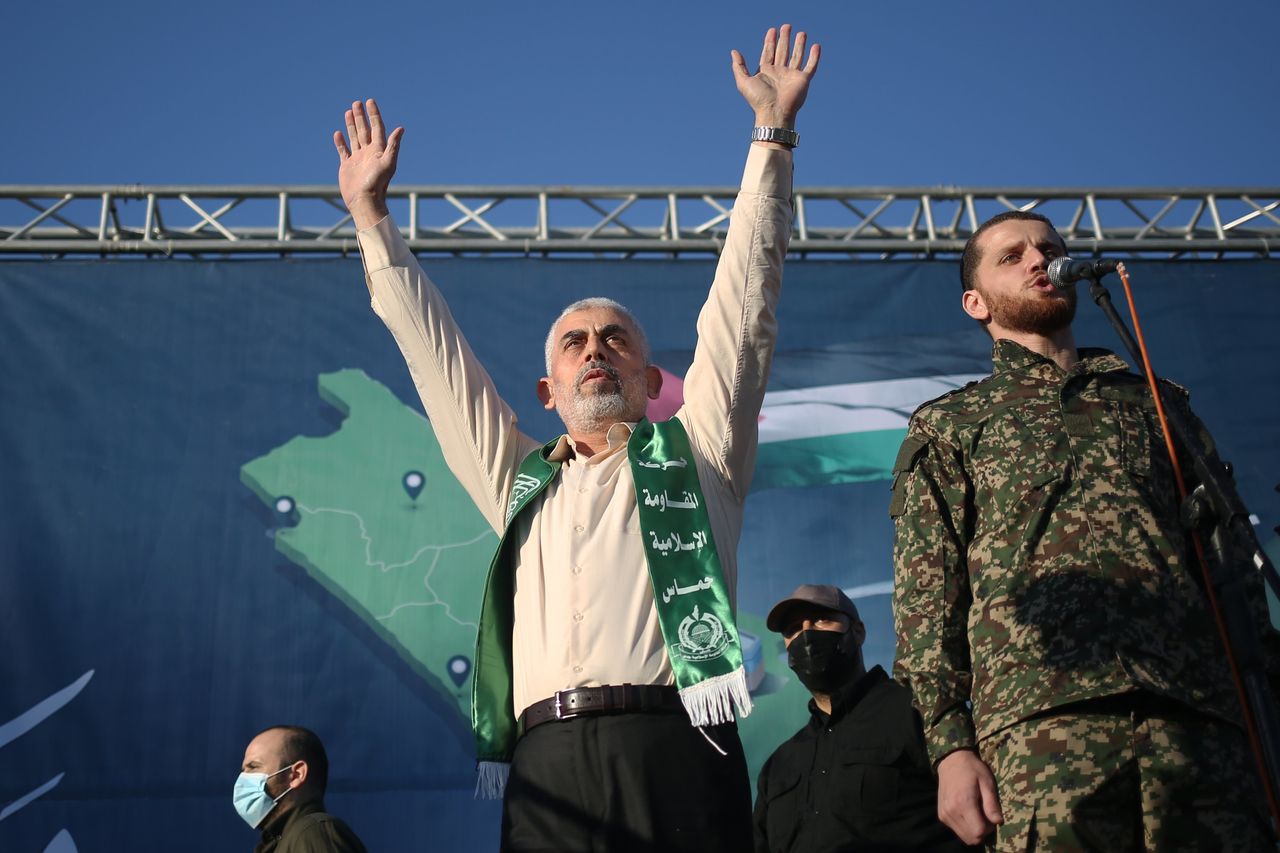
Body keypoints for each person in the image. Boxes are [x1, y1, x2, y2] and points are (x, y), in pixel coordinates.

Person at [332, 24, 819, 853]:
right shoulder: (517, 479)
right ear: (547, 391)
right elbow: (434, 357)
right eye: (575, 342)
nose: (596, 348)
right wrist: (371, 218)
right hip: (546, 765)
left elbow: (744, 306)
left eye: (615, 339)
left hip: (677, 748)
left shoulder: (700, 453)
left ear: (651, 377)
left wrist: (770, 137)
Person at [889, 209, 1278, 850]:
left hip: (1196, 719)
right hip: (1040, 727)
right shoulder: (953, 424)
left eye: (1048, 249)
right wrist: (949, 746)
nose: (1038, 260)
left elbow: (1229, 562)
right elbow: (929, 598)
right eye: (1012, 256)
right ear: (975, 303)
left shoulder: (1158, 404)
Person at [753, 583, 975, 853]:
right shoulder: (778, 766)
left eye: (822, 620)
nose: (807, 635)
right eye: (794, 629)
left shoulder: (921, 711)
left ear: (858, 631)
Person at [234, 725, 367, 853]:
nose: (243, 778)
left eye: (253, 767)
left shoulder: (313, 832)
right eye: (243, 770)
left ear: (296, 775)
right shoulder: (285, 840)